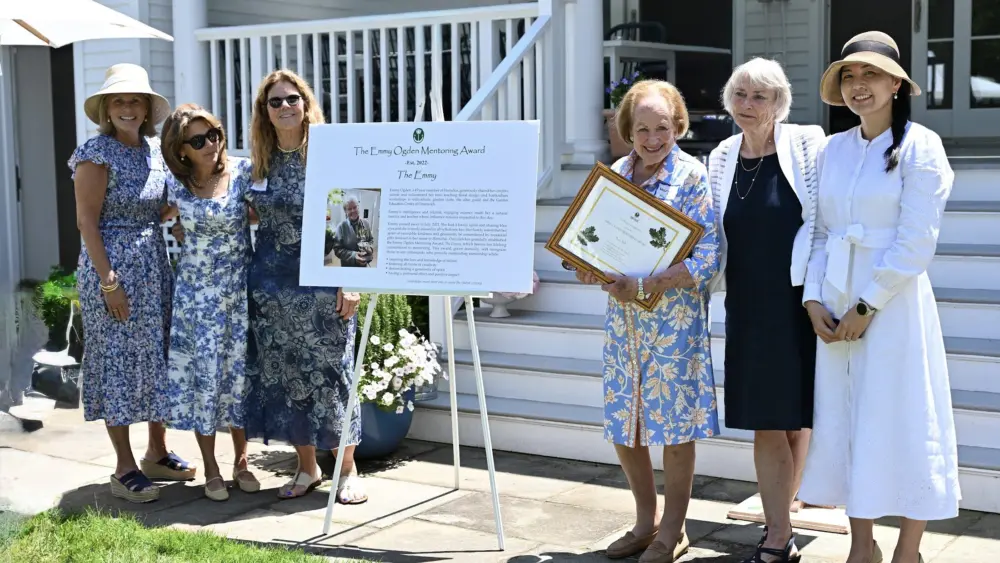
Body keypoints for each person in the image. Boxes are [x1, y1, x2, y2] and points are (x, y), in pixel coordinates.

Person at [799, 31, 961, 563]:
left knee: (904, 416)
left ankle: (908, 550)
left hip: (894, 308)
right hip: (836, 303)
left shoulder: (922, 147)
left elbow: (917, 241)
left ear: (896, 83)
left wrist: (868, 305)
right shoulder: (833, 149)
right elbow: (820, 231)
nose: (859, 85)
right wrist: (813, 299)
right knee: (848, 418)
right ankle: (861, 545)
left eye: (870, 74)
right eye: (850, 75)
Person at [576, 79, 720, 563]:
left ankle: (673, 531)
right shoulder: (614, 174)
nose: (654, 138)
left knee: (674, 431)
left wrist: (651, 284)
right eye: (643, 129)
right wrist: (585, 263)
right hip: (624, 327)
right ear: (628, 130)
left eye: (663, 127)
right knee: (627, 428)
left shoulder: (692, 177)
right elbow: (593, 244)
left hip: (673, 325)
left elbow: (709, 256)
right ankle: (645, 522)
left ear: (678, 125)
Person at [706, 58, 826, 563]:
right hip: (750, 305)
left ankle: (783, 516)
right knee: (767, 421)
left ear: (780, 103)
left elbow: (826, 224)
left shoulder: (808, 145)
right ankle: (779, 533)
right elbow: (711, 233)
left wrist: (821, 293)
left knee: (798, 417)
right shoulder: (720, 156)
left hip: (801, 301)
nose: (748, 105)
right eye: (740, 95)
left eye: (760, 97)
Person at [70, 63, 196, 503]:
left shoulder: (155, 150)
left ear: (146, 109)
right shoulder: (95, 153)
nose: (127, 108)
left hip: (153, 265)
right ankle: (124, 468)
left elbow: (162, 205)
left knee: (155, 356)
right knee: (118, 362)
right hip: (111, 268)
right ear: (107, 108)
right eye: (119, 101)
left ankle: (156, 452)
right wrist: (109, 282)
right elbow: (87, 222)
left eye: (135, 100)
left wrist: (179, 220)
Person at [244, 70, 365, 503]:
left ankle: (348, 469)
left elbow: (352, 221)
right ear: (265, 112)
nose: (284, 107)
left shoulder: (328, 156)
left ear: (306, 102)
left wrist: (350, 281)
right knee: (288, 375)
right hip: (271, 287)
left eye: (291, 99)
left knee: (334, 375)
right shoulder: (258, 161)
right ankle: (308, 467)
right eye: (274, 102)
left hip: (323, 281)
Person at [160, 104, 260, 501]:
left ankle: (242, 461)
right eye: (198, 140)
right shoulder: (176, 186)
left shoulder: (244, 172)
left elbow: (263, 213)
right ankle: (212, 467)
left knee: (240, 376)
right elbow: (151, 219)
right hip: (197, 297)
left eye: (214, 134)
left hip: (238, 292)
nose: (210, 145)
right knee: (205, 379)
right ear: (181, 149)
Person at [331, 196, 375, 267]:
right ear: (345, 211)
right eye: (349, 209)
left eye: (355, 207)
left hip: (363, 266)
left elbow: (371, 240)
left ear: (358, 207)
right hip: (348, 266)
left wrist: (370, 249)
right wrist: (353, 255)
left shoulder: (366, 223)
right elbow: (337, 249)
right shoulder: (341, 227)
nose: (353, 211)